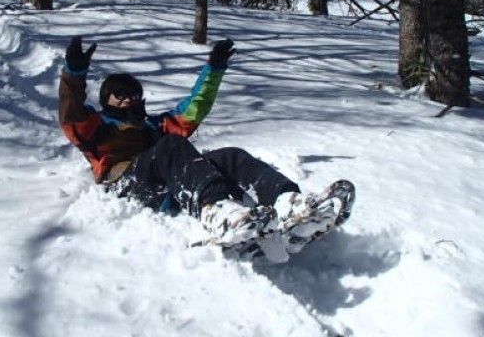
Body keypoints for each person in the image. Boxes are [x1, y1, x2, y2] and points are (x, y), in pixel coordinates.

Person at [58, 36, 353, 262]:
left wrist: (214, 69)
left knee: (229, 155)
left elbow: (192, 111)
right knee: (172, 146)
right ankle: (216, 213)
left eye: (132, 94)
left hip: (166, 182)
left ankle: (289, 203)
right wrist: (74, 73)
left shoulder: (153, 126)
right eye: (119, 94)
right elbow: (70, 114)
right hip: (128, 186)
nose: (126, 100)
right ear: (105, 98)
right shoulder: (94, 127)